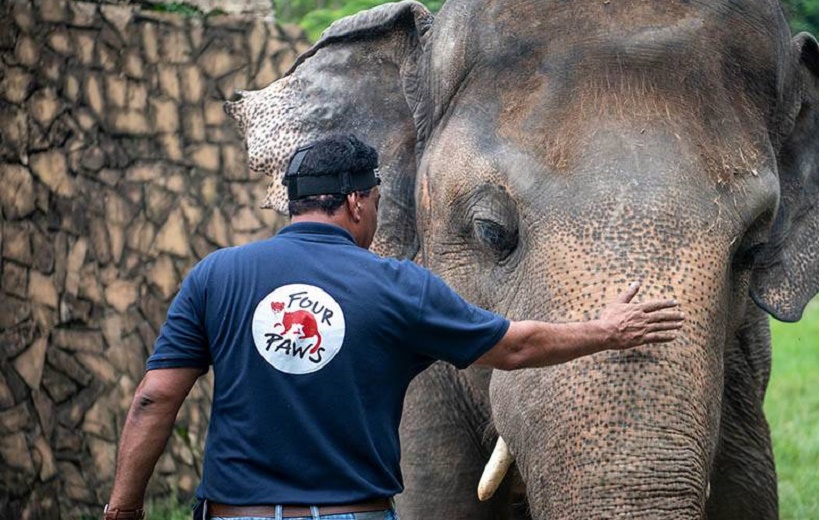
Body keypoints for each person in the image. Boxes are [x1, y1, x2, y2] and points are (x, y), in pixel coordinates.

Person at [104, 134, 685, 520]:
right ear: (357, 203)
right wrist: (605, 331)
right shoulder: (398, 285)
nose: (376, 214)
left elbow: (154, 400)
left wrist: (123, 508)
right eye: (377, 201)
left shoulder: (216, 276)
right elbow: (514, 346)